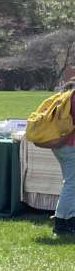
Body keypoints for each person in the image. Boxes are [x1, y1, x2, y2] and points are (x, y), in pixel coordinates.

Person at [50, 80, 75, 237]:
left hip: (60, 144)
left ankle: (67, 220)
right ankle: (61, 222)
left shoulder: (66, 95)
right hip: (70, 145)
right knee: (71, 184)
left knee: (70, 183)